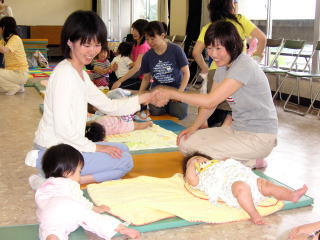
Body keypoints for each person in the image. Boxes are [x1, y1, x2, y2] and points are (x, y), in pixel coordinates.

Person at [28, 10, 155, 185]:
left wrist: (143, 98)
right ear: (70, 42)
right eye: (86, 45)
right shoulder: (65, 75)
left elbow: (108, 105)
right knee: (125, 161)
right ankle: (56, 180)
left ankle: (62, 178)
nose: (92, 51)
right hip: (55, 151)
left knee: (123, 149)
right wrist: (96, 147)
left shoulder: (80, 73)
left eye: (97, 45)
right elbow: (64, 130)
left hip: (68, 145)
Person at [153, 21, 277, 168]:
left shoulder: (243, 65)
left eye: (218, 48)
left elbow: (210, 100)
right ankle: (243, 159)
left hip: (259, 137)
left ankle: (250, 160)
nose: (213, 54)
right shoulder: (223, 67)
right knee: (185, 143)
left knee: (202, 153)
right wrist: (193, 128)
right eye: (210, 48)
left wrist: (172, 93)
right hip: (236, 130)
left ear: (233, 45)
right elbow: (211, 105)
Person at [36, 143, 141, 240]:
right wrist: (93, 208)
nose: (79, 175)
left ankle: (52, 236)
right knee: (93, 219)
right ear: (67, 173)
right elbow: (80, 200)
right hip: (67, 207)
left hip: (48, 212)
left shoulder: (46, 184)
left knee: (50, 229)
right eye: (79, 171)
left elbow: (38, 192)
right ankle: (120, 228)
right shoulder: (69, 184)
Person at [193, 0, 267, 127]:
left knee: (211, 105)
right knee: (231, 110)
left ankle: (206, 129)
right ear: (230, 5)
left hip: (215, 70)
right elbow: (262, 38)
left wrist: (206, 69)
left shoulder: (209, 27)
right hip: (238, 71)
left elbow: (196, 52)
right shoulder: (239, 20)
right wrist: (255, 58)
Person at [182, 152, 308, 225]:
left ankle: (291, 195)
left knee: (267, 185)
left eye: (199, 158)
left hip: (249, 181)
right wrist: (191, 166)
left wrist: (225, 161)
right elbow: (191, 180)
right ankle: (253, 213)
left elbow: (232, 166)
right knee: (241, 187)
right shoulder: (201, 176)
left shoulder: (218, 164)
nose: (197, 161)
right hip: (231, 188)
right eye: (192, 162)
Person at [138, 21, 190, 120]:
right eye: (147, 39)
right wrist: (140, 96)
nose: (149, 42)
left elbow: (186, 73)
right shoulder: (147, 56)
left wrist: (180, 93)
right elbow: (146, 79)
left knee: (178, 113)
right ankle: (164, 106)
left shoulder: (176, 50)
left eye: (152, 39)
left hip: (177, 89)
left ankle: (171, 106)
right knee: (156, 112)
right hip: (159, 90)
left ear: (162, 36)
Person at [111, 19, 150, 90]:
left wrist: (119, 81)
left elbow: (136, 68)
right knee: (110, 81)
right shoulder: (135, 44)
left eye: (136, 30)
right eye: (133, 29)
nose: (133, 32)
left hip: (141, 80)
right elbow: (128, 59)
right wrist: (115, 65)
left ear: (144, 32)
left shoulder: (144, 46)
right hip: (133, 75)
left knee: (116, 87)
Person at [0, 16, 28, 95]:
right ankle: (18, 86)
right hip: (12, 73)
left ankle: (14, 87)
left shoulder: (15, 38)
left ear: (4, 28)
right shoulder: (4, 40)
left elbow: (5, 50)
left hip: (19, 73)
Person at [85, 115, 153, 142]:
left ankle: (148, 123)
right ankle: (148, 123)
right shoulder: (99, 120)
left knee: (138, 126)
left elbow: (104, 140)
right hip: (121, 118)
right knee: (137, 125)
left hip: (123, 125)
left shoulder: (104, 132)